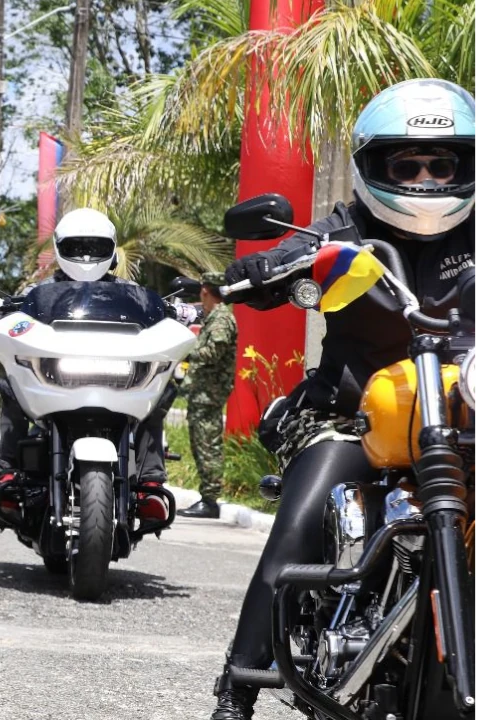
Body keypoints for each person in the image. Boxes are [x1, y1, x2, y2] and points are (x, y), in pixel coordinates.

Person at [207, 78, 475, 720]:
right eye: (405, 163)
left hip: (466, 412)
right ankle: (237, 687)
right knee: (297, 523)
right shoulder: (344, 230)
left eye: (443, 163)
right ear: (372, 165)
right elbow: (289, 255)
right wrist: (264, 270)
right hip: (352, 416)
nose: (426, 177)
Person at [0, 208, 171, 523]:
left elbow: (155, 319)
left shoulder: (131, 295)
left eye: (94, 247)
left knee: (159, 396)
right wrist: (2, 313)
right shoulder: (39, 294)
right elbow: (17, 320)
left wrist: (174, 311)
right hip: (57, 380)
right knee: (11, 388)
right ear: (61, 248)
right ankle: (8, 474)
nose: (86, 255)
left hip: (115, 379)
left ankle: (150, 484)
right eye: (77, 247)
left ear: (110, 250)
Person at [176, 271, 238, 519]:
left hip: (209, 393)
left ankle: (210, 500)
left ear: (204, 290)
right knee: (201, 444)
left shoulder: (221, 319)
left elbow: (213, 352)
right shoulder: (215, 317)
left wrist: (186, 350)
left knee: (208, 446)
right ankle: (207, 497)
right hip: (203, 392)